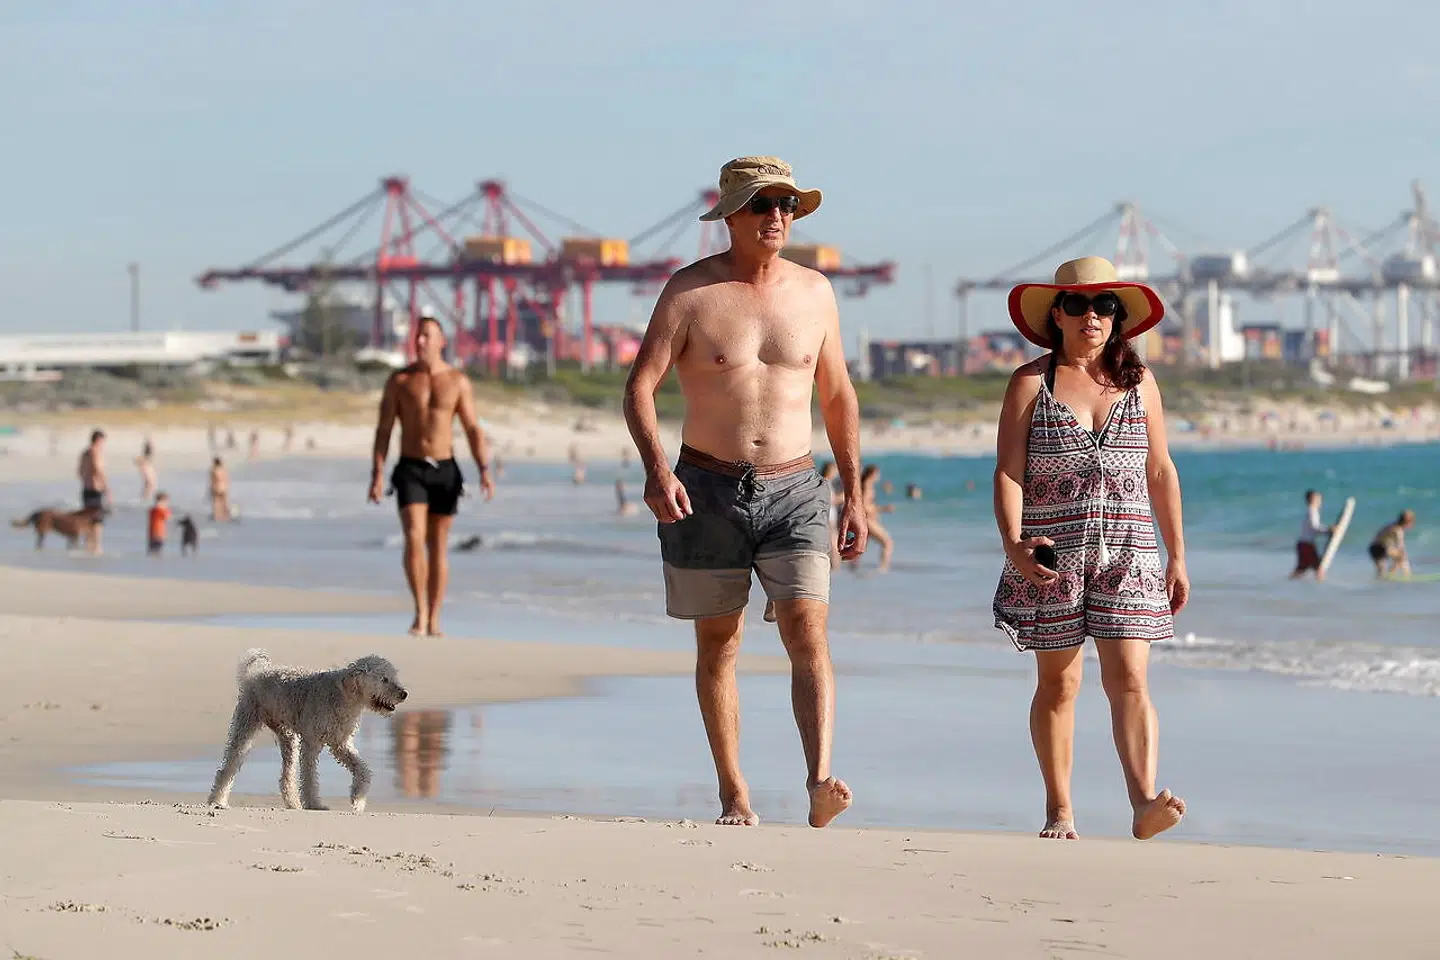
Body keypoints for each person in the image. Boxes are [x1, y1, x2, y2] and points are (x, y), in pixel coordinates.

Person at [623, 155, 866, 829]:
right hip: (704, 486)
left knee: (807, 631)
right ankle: (734, 792)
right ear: (730, 215)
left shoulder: (816, 293)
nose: (778, 216)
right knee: (719, 644)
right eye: (763, 205)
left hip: (796, 487)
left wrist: (855, 492)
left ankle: (820, 779)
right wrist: (655, 469)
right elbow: (640, 385)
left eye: (787, 204)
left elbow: (838, 394)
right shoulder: (690, 292)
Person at [992, 256, 1189, 842]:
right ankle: (1060, 809)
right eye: (1077, 305)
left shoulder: (1140, 382)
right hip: (1054, 555)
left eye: (1105, 306)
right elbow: (1008, 471)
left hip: (1130, 550)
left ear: (1118, 319)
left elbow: (1160, 470)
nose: (1091, 317)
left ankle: (1144, 800)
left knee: (1130, 677)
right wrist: (1015, 545)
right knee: (1060, 684)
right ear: (1057, 313)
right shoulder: (1032, 382)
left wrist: (1177, 554)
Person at [369, 310, 495, 637]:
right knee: (413, 536)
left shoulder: (457, 382)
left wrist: (484, 470)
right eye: (417, 335)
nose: (420, 341)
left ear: (442, 342)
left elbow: (471, 429)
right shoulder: (399, 381)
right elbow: (384, 429)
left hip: (446, 469)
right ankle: (419, 612)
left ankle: (435, 617)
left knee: (438, 544)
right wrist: (377, 473)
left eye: (427, 335)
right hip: (410, 468)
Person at [854, 463, 895, 572]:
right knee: (887, 542)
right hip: (868, 521)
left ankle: (851, 570)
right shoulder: (867, 487)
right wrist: (884, 509)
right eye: (878, 474)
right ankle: (883, 568)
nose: (879, 476)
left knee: (860, 548)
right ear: (873, 474)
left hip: (868, 520)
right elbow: (865, 507)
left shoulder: (867, 485)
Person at [77, 429, 109, 554]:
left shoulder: (85, 452)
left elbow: (79, 471)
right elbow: (97, 469)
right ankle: (96, 546)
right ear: (99, 440)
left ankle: (88, 543)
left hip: (86, 487)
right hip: (95, 488)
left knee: (87, 517)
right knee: (96, 519)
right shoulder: (95, 452)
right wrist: (106, 486)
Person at [1291, 489, 1333, 581]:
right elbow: (1315, 527)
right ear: (1313, 499)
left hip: (1302, 544)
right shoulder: (1312, 511)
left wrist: (1327, 531)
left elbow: (1312, 528)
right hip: (1307, 545)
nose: (1321, 501)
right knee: (1319, 569)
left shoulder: (1309, 511)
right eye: (1319, 499)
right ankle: (1322, 588)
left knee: (1301, 569)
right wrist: (1328, 529)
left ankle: (1285, 585)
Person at [1369, 510, 1415, 578]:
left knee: (1381, 571)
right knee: (1401, 557)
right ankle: (1406, 575)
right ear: (1407, 523)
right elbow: (1400, 546)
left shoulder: (1390, 525)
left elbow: (1378, 536)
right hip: (1382, 547)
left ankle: (1382, 578)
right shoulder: (1398, 530)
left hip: (1373, 548)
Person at [147, 492, 172, 556]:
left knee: (152, 548)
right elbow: (167, 517)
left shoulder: (153, 509)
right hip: (159, 533)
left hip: (152, 533)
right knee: (157, 550)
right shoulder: (160, 510)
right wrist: (167, 510)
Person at [209, 457, 232, 523]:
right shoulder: (224, 470)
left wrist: (211, 488)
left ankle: (217, 515)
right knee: (224, 502)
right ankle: (226, 515)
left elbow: (213, 480)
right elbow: (227, 478)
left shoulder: (213, 470)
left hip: (216, 487)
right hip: (224, 488)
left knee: (216, 502)